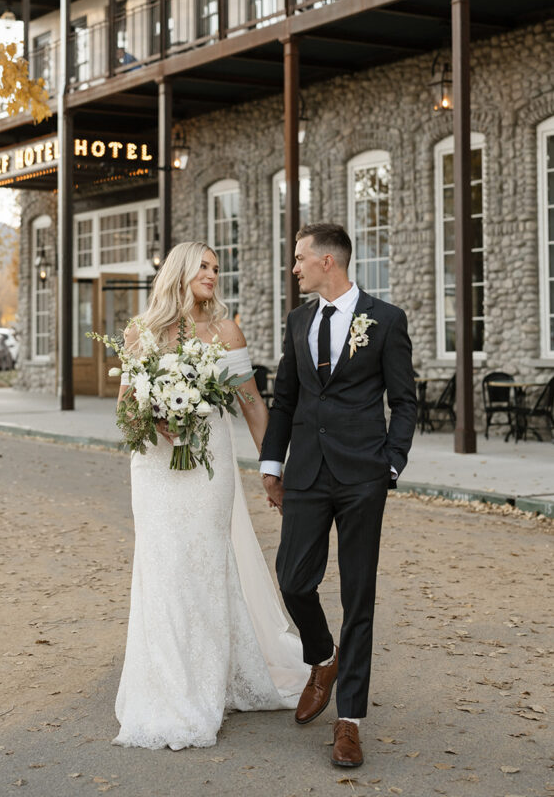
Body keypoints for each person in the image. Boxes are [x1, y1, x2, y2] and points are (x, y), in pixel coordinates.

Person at [113, 241, 308, 750]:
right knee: (162, 569)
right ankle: (165, 685)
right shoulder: (142, 333)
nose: (212, 276)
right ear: (179, 270)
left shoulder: (225, 332)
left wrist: (272, 469)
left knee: (203, 566)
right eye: (203, 266)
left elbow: (251, 406)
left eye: (217, 269)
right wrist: (154, 418)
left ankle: (207, 680)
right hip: (154, 470)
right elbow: (124, 411)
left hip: (209, 467)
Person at [260, 223, 416, 769]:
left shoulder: (386, 320)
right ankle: (322, 656)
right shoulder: (298, 320)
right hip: (304, 471)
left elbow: (405, 399)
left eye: (300, 258)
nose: (294, 267)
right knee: (293, 580)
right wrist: (271, 463)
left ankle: (350, 720)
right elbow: (284, 399)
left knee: (359, 595)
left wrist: (390, 463)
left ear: (329, 261)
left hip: (361, 476)